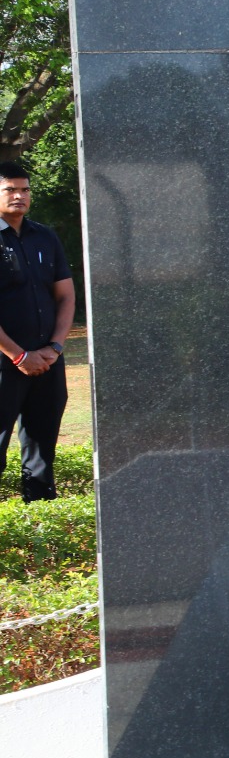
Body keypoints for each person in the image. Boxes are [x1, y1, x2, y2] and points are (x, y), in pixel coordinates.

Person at [0, 162, 74, 503]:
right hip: (5, 364)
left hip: (47, 361)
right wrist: (18, 355)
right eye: (10, 190)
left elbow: (65, 295)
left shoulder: (45, 236)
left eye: (24, 189)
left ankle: (39, 519)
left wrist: (55, 347)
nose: (19, 196)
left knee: (42, 452)